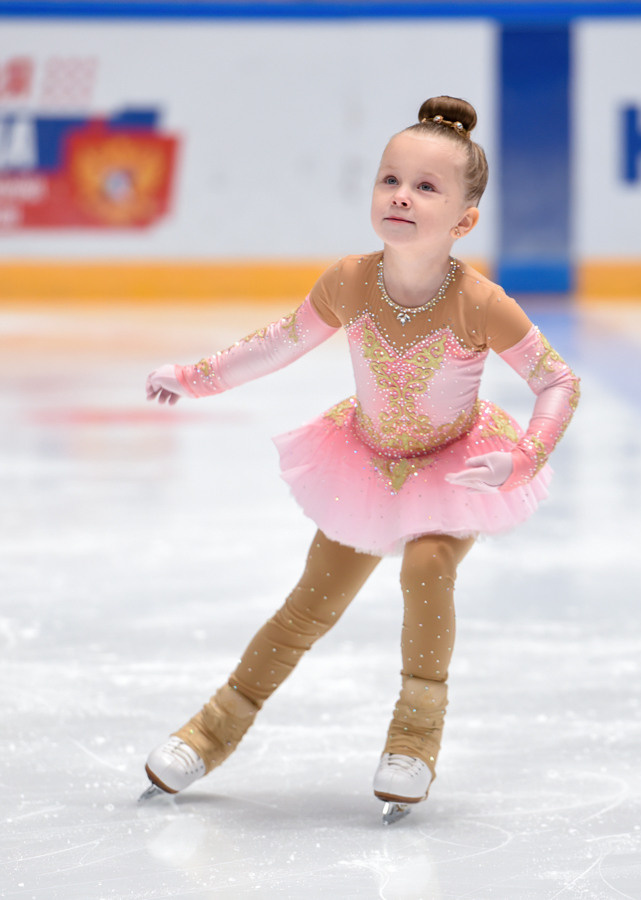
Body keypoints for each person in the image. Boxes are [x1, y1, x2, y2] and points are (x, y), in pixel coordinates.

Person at [141, 95, 580, 822]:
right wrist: (193, 379)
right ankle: (210, 730)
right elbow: (275, 344)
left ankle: (413, 741)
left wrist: (525, 459)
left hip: (452, 463)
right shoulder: (349, 281)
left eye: (426, 187)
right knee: (308, 606)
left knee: (427, 566)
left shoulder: (480, 301)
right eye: (389, 179)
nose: (401, 195)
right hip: (366, 460)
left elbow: (556, 379)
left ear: (464, 221)